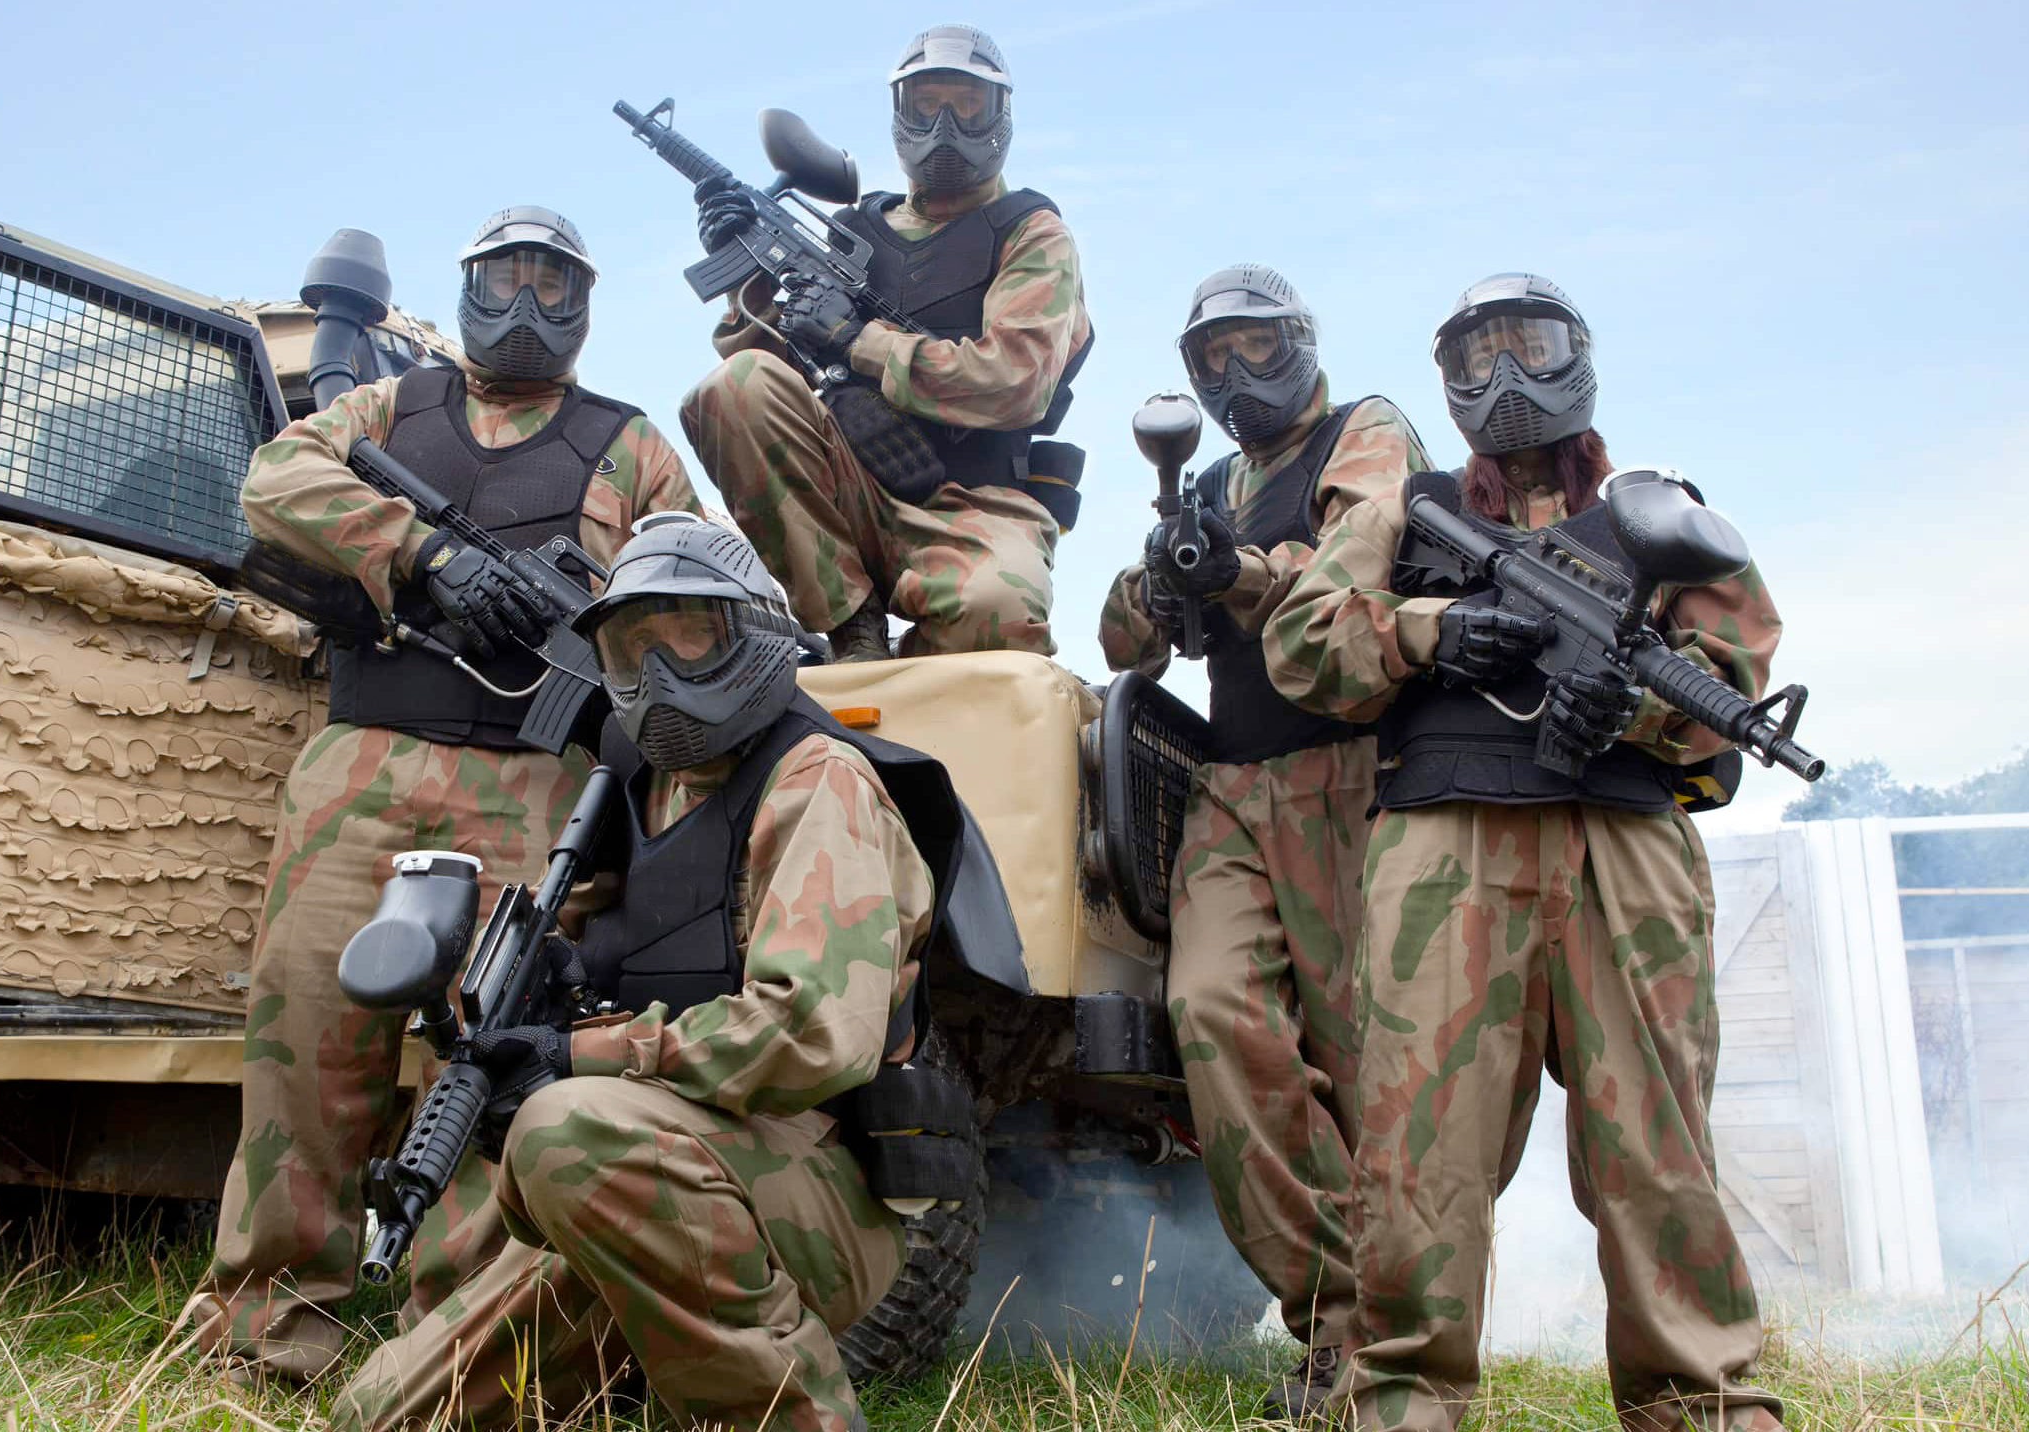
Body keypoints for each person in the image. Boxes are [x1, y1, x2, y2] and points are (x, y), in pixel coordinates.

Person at [1263, 273, 1786, 1431]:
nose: (1504, 379)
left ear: (1580, 357)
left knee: (1656, 1142)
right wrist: (1429, 632)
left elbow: (1730, 680)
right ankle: (1402, 1392)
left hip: (1625, 840)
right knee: (1420, 1149)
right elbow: (1300, 644)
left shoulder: (1663, 513)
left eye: (1529, 348)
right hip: (1446, 840)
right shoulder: (1405, 508)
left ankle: (1698, 1396)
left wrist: (1635, 708)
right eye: (1475, 356)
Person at [188, 206, 701, 1382]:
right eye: (504, 279)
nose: (526, 306)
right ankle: (266, 1324)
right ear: (468, 285)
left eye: (554, 286)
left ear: (585, 303)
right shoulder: (390, 409)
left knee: (493, 1056)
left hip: (533, 785)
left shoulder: (632, 446)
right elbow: (276, 479)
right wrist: (422, 554)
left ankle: (451, 1342)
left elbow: (695, 590)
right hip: (360, 765)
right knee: (307, 1036)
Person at [333, 513, 967, 1432]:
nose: (663, 675)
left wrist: (579, 1053)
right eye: (636, 649)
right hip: (662, 1166)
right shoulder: (641, 787)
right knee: (380, 1416)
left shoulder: (816, 781)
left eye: (689, 635)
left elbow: (812, 1034)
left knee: (565, 1128)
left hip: (817, 1183)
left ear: (749, 634)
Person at [1097, 263, 1432, 1420]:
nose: (1236, 373)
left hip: (1352, 772)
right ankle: (1335, 1316)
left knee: (1359, 1062)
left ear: (1302, 337)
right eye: (1211, 360)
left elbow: (1347, 581)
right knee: (1211, 1015)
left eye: (1254, 345)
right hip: (1233, 786)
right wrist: (1162, 571)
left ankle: (1392, 1339)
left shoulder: (1365, 432)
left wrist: (1241, 570)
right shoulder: (1216, 483)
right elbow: (1119, 642)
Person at [680, 22, 1093, 661]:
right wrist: (751, 280)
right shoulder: (852, 230)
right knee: (730, 389)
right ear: (900, 113)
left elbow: (1016, 381)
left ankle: (925, 705)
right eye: (927, 105)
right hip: (855, 483)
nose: (946, 126)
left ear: (1000, 116)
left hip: (973, 503)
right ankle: (851, 627)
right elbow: (768, 387)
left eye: (967, 105)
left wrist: (860, 339)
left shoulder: (1030, 234)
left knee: (998, 613)